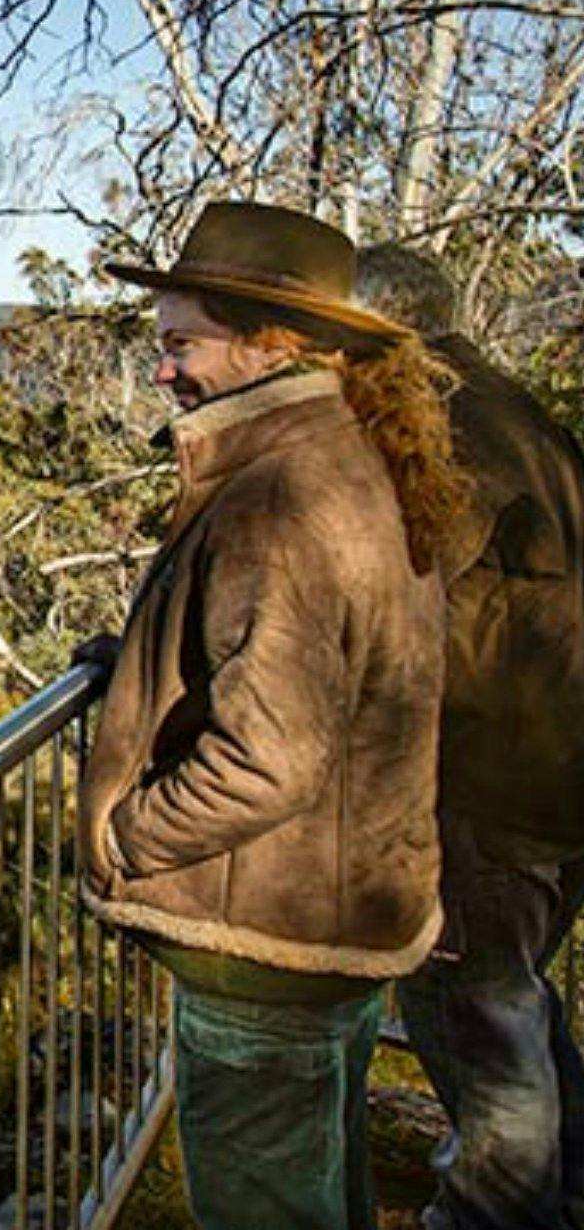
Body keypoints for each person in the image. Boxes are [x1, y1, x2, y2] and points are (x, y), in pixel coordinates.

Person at [76, 201, 462, 1230]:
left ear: (269, 344)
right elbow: (314, 668)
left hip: (264, 951)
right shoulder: (355, 461)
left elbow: (267, 759)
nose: (164, 370)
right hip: (336, 927)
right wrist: (142, 668)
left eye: (182, 345)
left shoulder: (277, 496)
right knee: (324, 1192)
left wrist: (123, 839)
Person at [354, 244, 584, 1230]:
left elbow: (390, 599)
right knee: (512, 1005)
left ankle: (498, 1215)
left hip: (494, 780)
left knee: (474, 1018)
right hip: (550, 770)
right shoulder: (513, 411)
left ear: (376, 328)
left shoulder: (440, 425)